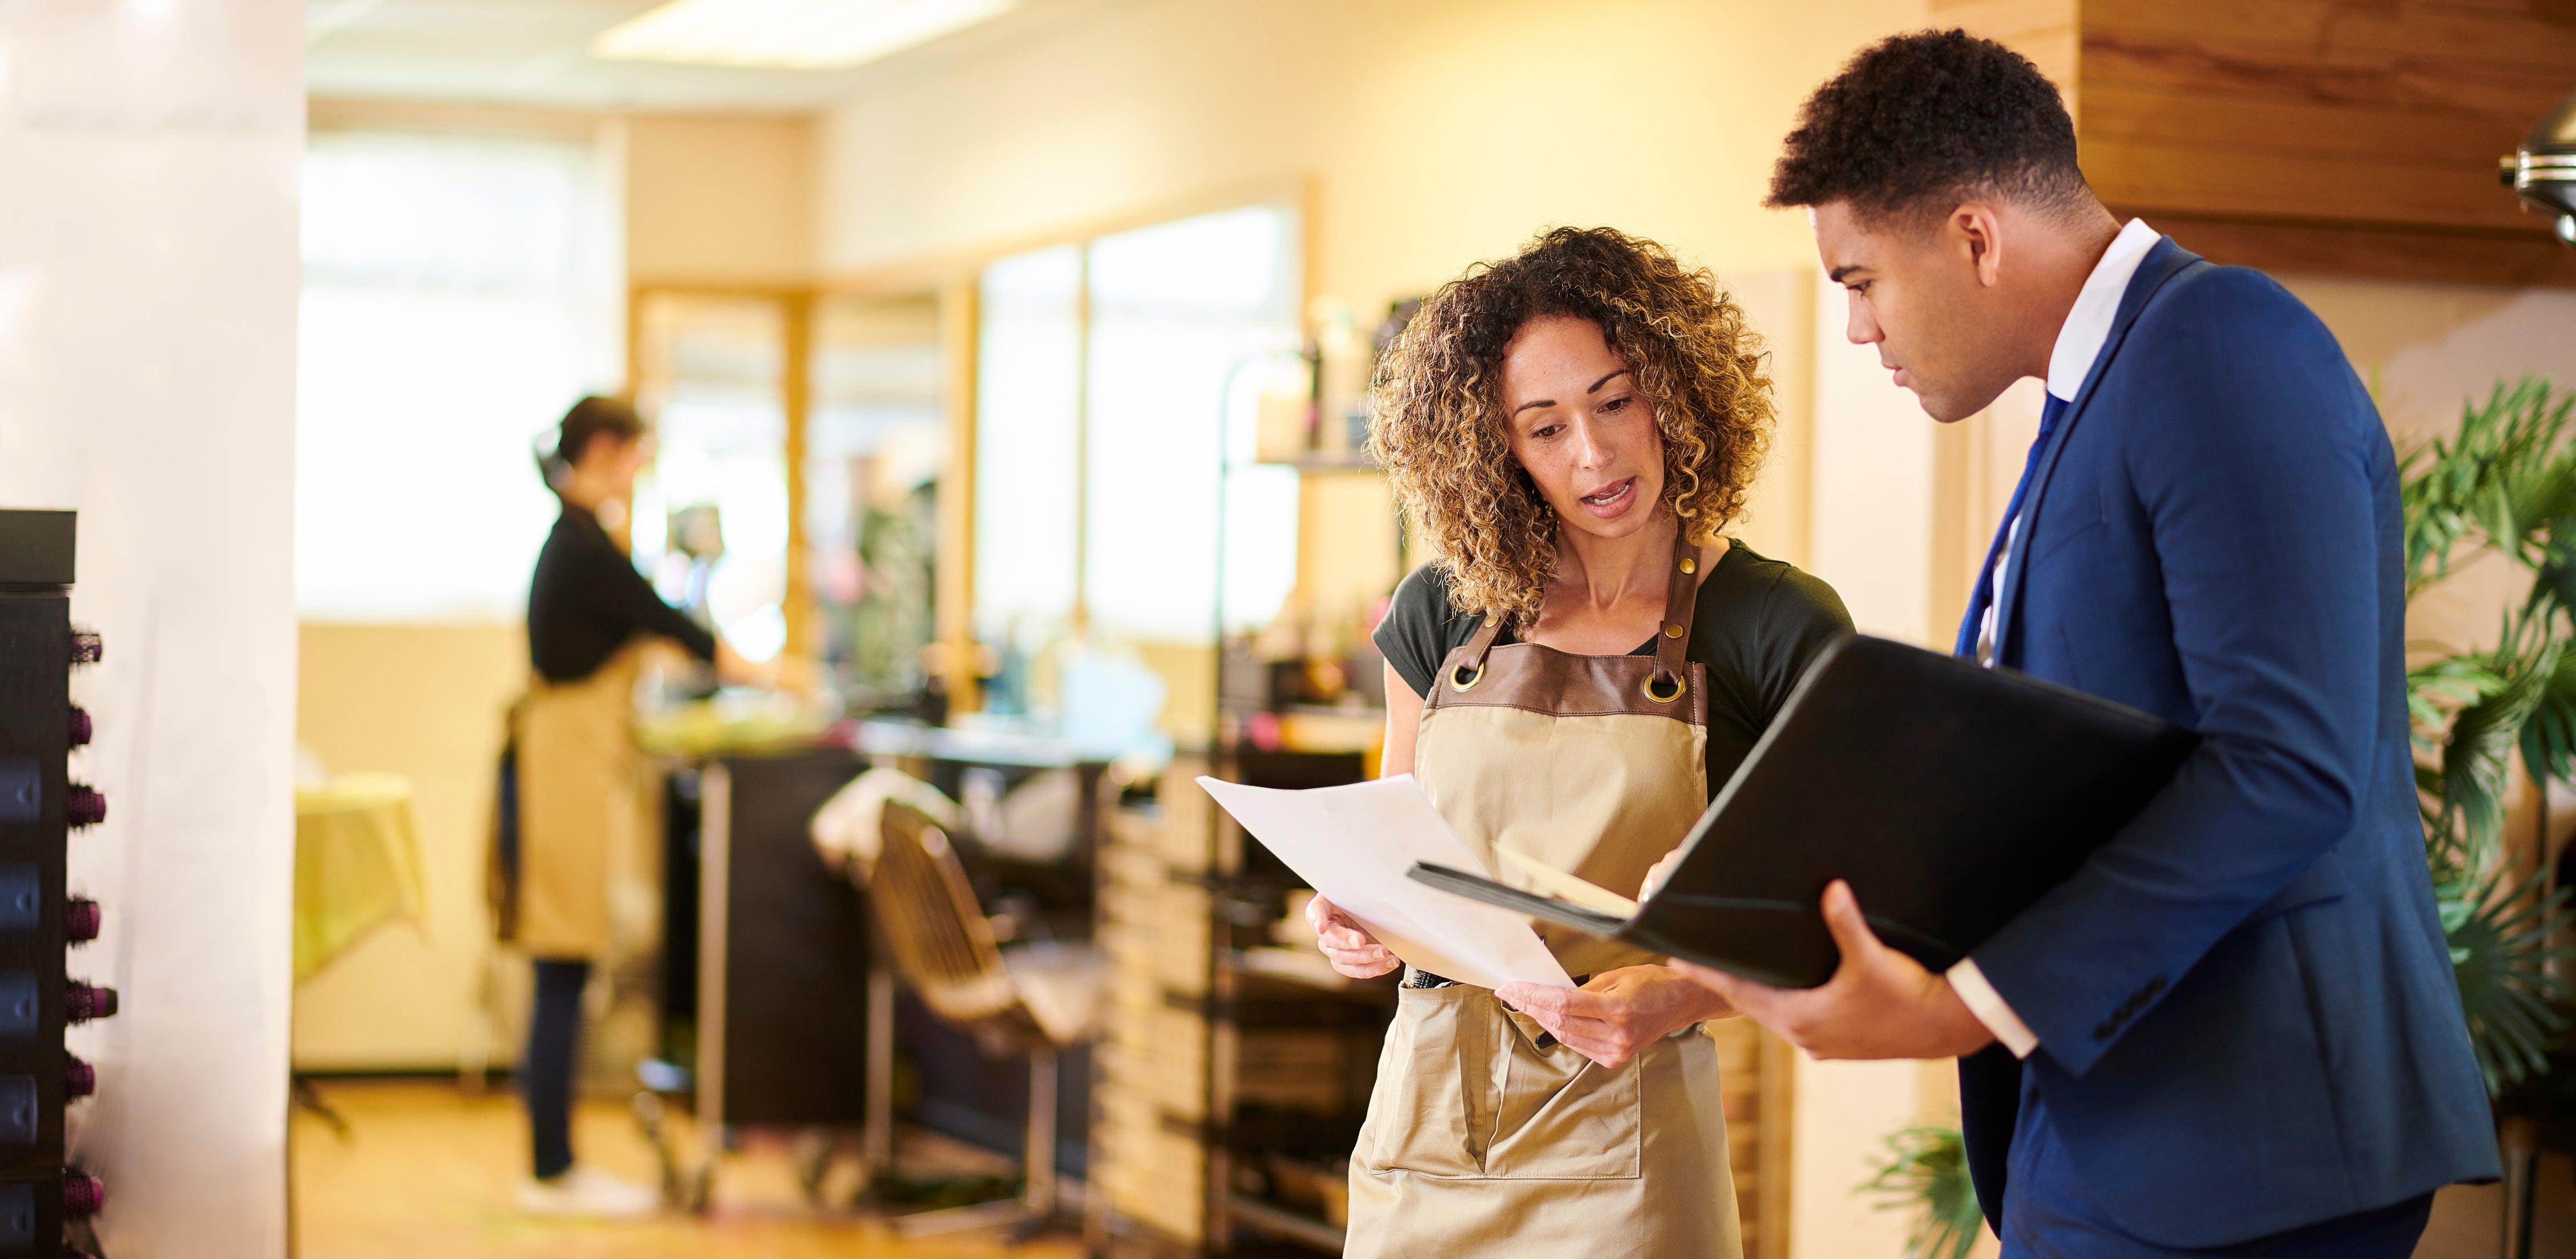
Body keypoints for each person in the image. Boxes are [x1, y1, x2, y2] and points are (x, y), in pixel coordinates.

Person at [1669, 31, 2500, 1257]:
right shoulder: (2094, 394)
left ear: (1972, 237)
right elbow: (2081, 769)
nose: (1855, 330)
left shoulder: (2218, 342)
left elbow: (2284, 762)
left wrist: (1965, 1005)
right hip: (2127, 1124)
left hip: (2244, 1144)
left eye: (1859, 280)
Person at [1302, 227, 1852, 1258]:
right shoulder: (1438, 614)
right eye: (1543, 428)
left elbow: (1827, 919)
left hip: (1627, 1138)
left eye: (1613, 402)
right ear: (1493, 449)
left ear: (1674, 392)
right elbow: (1388, 848)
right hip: (1424, 1131)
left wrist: (1678, 992)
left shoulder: (1774, 625)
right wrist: (1350, 921)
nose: (1593, 455)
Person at [510, 395, 772, 1217]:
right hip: (562, 773)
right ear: (603, 450)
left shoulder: (581, 539)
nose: (639, 470)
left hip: (572, 769)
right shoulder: (582, 546)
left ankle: (553, 1158)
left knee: (566, 961)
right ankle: (551, 1166)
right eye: (634, 453)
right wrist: (764, 671)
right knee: (563, 962)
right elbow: (669, 623)